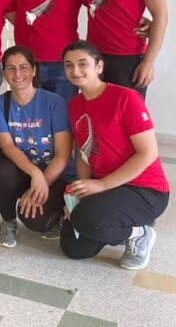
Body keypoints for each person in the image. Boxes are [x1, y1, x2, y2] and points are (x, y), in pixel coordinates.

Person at [60, 40, 169, 270]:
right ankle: (113, 221)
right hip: (107, 186)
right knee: (74, 248)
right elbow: (82, 152)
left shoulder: (126, 98)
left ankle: (140, 233)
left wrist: (101, 186)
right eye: (69, 65)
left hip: (145, 189)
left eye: (83, 63)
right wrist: (82, 191)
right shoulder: (74, 105)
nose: (75, 70)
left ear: (99, 66)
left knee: (86, 219)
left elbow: (148, 153)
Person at [0, 46, 71, 248]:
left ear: (34, 70)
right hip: (26, 169)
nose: (18, 74)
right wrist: (35, 174)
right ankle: (8, 222)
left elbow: (62, 155)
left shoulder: (55, 102)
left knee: (36, 221)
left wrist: (42, 181)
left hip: (54, 173)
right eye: (11, 68)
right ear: (4, 73)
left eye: (24, 67)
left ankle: (61, 214)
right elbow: (8, 146)